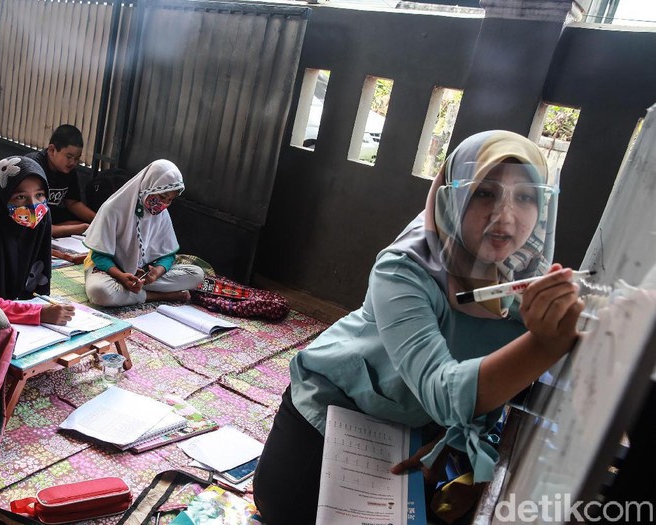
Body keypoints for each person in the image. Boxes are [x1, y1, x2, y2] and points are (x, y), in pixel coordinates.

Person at [252, 130, 583, 524]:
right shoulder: (405, 268)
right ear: (451, 195)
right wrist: (544, 344)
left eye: (526, 196)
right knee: (286, 507)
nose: (505, 216)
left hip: (419, 431)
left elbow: (504, 388)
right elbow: (442, 389)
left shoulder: (529, 280)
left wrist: (454, 438)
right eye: (484, 193)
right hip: (340, 407)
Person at [0, 156, 74, 325]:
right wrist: (37, 313)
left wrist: (39, 309)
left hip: (2, 311)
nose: (33, 206)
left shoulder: (41, 223)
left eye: (40, 195)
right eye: (20, 197)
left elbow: (36, 285)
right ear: (1, 199)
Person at [83, 159, 205, 307]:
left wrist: (155, 274)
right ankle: (156, 296)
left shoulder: (161, 214)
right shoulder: (113, 209)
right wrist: (121, 276)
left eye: (170, 200)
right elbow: (99, 255)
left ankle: (131, 291)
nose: (164, 204)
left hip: (142, 274)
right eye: (161, 196)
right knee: (100, 292)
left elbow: (167, 255)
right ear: (149, 185)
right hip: (110, 271)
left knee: (197, 275)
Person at [26, 124, 96, 237]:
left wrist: (98, 220)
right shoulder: (33, 168)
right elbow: (31, 223)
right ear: (52, 150)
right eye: (69, 156)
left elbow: (73, 203)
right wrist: (80, 228)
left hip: (48, 218)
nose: (73, 162)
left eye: (77, 158)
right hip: (28, 220)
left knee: (81, 221)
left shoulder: (67, 170)